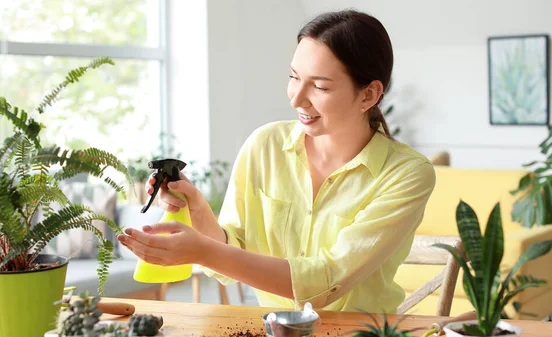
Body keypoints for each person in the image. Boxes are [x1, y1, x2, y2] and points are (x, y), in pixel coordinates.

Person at [117, 10, 435, 313]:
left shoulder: (406, 174)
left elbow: (328, 282)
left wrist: (203, 251)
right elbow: (233, 249)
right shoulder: (265, 145)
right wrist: (198, 208)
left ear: (368, 95)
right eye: (294, 77)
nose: (296, 98)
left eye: (320, 86)